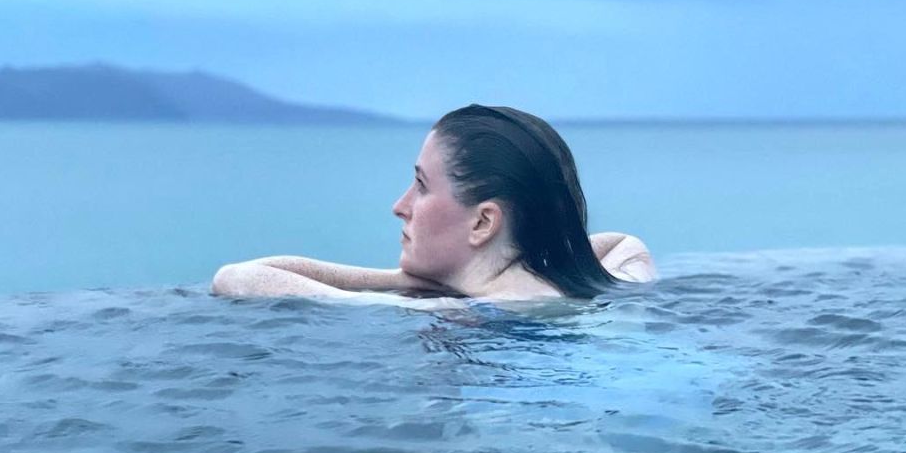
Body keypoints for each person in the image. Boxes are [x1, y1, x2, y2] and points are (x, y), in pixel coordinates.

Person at [210, 104, 656, 302]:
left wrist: (408, 283)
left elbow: (238, 277)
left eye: (421, 186)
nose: (400, 206)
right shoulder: (621, 280)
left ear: (483, 223)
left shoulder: (452, 314)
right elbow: (624, 243)